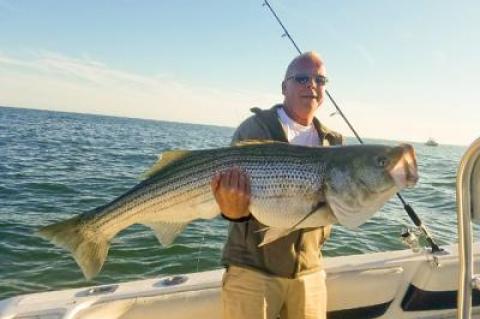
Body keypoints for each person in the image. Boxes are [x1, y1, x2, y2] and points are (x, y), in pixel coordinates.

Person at [210, 51, 343, 319]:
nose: (312, 85)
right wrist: (231, 211)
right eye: (302, 78)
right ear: (284, 87)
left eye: (320, 79)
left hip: (310, 271)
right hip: (252, 271)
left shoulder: (334, 143)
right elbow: (230, 201)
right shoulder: (255, 129)